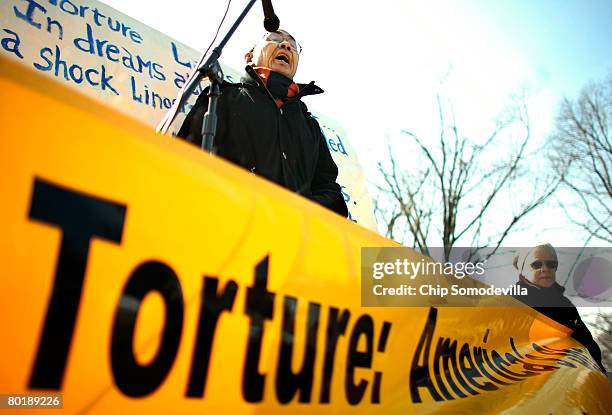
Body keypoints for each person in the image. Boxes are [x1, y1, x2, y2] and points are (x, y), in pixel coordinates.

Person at [177, 30, 348, 217]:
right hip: (228, 225)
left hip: (294, 238)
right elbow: (184, 159)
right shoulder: (221, 97)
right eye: (274, 39)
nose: (285, 45)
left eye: (293, 44)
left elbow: (331, 193)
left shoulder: (310, 127)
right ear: (249, 57)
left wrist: (301, 208)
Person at [513, 243, 606, 373]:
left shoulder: (565, 304)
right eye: (536, 265)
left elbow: (589, 347)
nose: (545, 269)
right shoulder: (509, 303)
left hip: (570, 379)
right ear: (523, 271)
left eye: (551, 264)